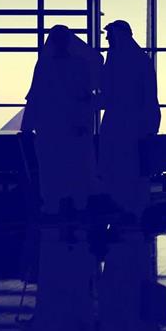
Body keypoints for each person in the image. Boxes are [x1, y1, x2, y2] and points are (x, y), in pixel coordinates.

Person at [21, 25, 102, 214]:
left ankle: (55, 203)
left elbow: (35, 97)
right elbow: (85, 97)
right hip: (69, 126)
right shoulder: (80, 65)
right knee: (74, 165)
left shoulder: (45, 65)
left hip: (52, 126)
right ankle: (76, 203)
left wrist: (28, 125)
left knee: (54, 166)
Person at [98, 20, 160, 217]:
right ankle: (132, 204)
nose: (107, 40)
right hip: (132, 120)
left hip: (122, 120)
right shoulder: (140, 59)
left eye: (109, 36)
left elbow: (107, 90)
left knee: (121, 161)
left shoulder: (119, 59)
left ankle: (123, 203)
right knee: (129, 162)